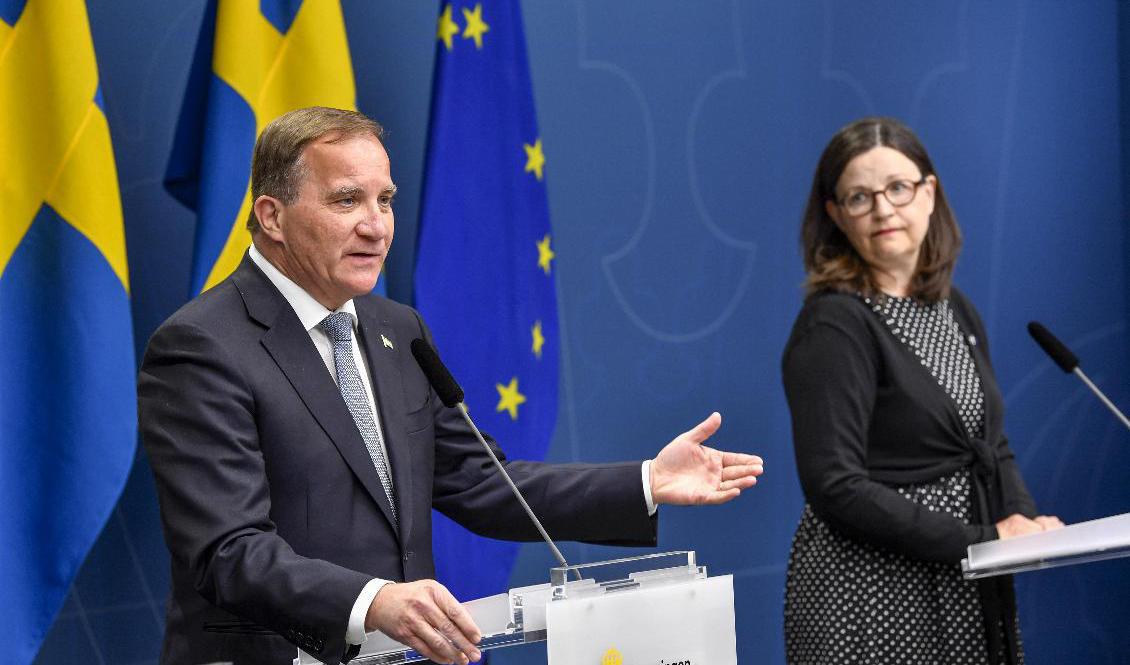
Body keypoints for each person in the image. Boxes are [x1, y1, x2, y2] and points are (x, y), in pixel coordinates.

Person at [138, 106, 764, 665]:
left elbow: (481, 483)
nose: (377, 226)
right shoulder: (202, 346)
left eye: (385, 200)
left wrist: (646, 481)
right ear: (272, 216)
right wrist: (374, 601)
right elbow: (228, 550)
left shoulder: (394, 328)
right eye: (346, 200)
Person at [780, 117, 1063, 665]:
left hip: (965, 572)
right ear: (836, 216)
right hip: (871, 591)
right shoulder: (834, 325)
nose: (883, 209)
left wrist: (1024, 526)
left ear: (929, 194)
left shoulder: (953, 308)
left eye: (897, 188)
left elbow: (991, 446)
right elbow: (834, 485)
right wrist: (982, 536)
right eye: (859, 197)